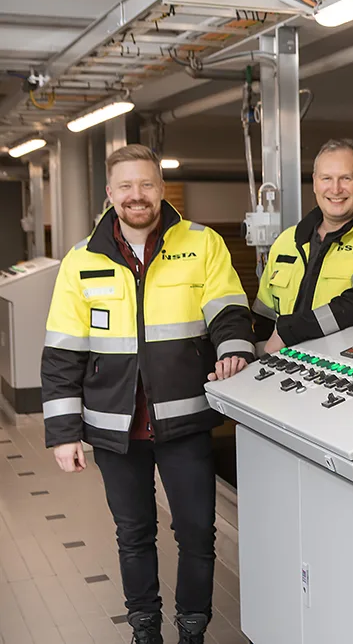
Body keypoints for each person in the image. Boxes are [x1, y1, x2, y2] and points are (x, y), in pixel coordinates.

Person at [41, 144, 255, 644]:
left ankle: (192, 628)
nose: (137, 195)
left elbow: (228, 310)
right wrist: (63, 433)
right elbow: (61, 353)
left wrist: (235, 351)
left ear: (161, 188)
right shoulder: (81, 260)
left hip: (185, 420)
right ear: (110, 194)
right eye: (126, 186)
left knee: (198, 533)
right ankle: (145, 629)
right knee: (134, 536)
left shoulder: (202, 243)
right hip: (116, 428)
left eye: (147, 184)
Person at [252, 138, 353, 353]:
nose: (335, 189)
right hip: (283, 367)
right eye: (327, 178)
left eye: (346, 178)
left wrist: (291, 331)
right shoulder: (287, 240)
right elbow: (264, 316)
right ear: (315, 182)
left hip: (346, 369)